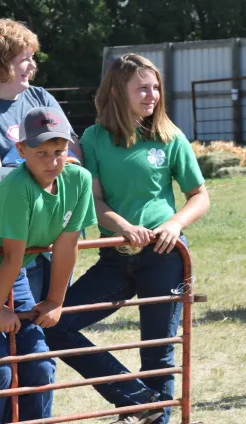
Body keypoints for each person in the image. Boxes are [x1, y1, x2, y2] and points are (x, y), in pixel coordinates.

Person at [44, 54, 210, 424]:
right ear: (118, 91)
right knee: (58, 324)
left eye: (155, 87)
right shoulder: (94, 138)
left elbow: (199, 195)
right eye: (142, 88)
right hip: (115, 257)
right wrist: (120, 226)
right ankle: (136, 398)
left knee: (157, 354)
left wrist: (173, 224)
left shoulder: (169, 136)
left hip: (164, 256)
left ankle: (154, 412)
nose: (151, 95)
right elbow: (95, 199)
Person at [0, 107, 96, 423]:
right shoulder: (16, 186)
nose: (52, 161)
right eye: (41, 152)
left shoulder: (79, 180)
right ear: (21, 150)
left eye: (59, 151)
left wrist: (56, 300)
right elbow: (12, 257)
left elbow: (67, 247)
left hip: (14, 276)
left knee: (40, 365)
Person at [0, 18, 83, 303]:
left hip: (52, 233)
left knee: (51, 320)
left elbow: (73, 158)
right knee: (22, 329)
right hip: (4, 239)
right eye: (24, 59)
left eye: (32, 58)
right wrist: (47, 172)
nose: (32, 66)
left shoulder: (42, 99)